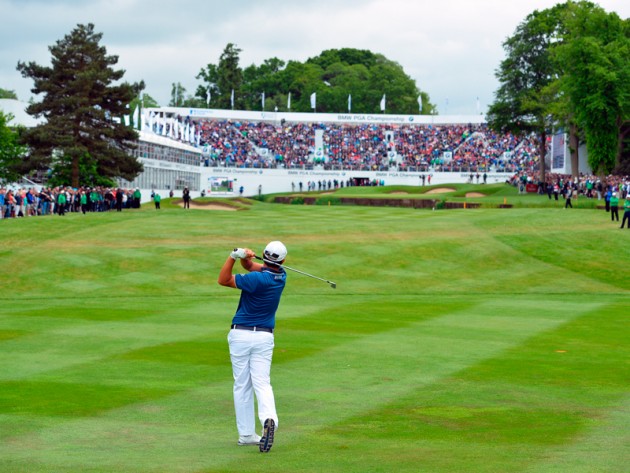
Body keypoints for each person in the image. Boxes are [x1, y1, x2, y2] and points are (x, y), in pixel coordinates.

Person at [217, 241, 288, 453]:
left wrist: (233, 256)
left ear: (264, 255)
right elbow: (250, 267)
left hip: (240, 334)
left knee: (242, 384)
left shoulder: (256, 279)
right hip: (264, 337)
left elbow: (223, 280)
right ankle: (269, 419)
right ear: (283, 260)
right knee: (262, 383)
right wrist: (246, 258)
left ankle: (247, 434)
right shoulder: (281, 276)